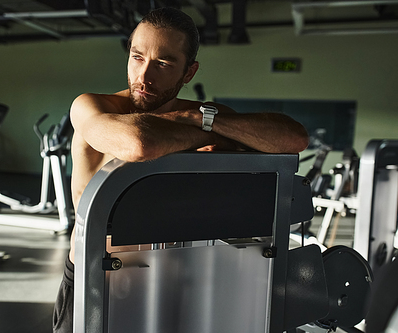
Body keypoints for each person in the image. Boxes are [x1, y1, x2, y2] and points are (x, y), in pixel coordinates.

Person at [53, 7, 309, 333]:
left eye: (163, 63)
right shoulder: (94, 107)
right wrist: (200, 123)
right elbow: (138, 145)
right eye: (137, 57)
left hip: (170, 276)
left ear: (189, 73)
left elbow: (294, 138)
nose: (144, 76)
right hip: (95, 276)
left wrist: (206, 122)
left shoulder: (210, 116)